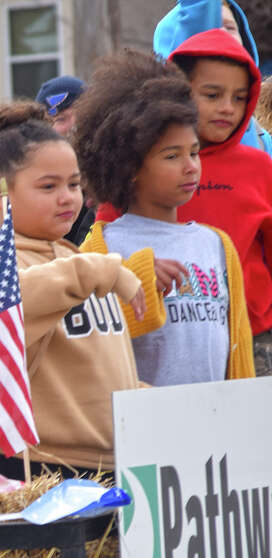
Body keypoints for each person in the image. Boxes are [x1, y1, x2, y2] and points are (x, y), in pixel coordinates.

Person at [0, 102, 145, 479]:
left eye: (74, 184)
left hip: (112, 463)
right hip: (43, 467)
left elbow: (100, 370)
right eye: (49, 186)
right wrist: (96, 268)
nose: (67, 197)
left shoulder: (75, 260)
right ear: (1, 193)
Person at [98, 30, 272, 376]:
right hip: (159, 338)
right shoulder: (138, 163)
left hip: (254, 341)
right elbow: (104, 247)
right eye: (212, 94)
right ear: (177, 92)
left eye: (240, 98)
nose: (228, 107)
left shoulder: (260, 167)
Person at [153, 0, 272, 155]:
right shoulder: (145, 147)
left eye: (230, 28)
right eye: (212, 95)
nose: (227, 108)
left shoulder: (262, 143)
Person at [35, 75, 94, 244]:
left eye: (80, 114)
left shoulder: (113, 173)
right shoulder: (35, 182)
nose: (73, 126)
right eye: (61, 119)